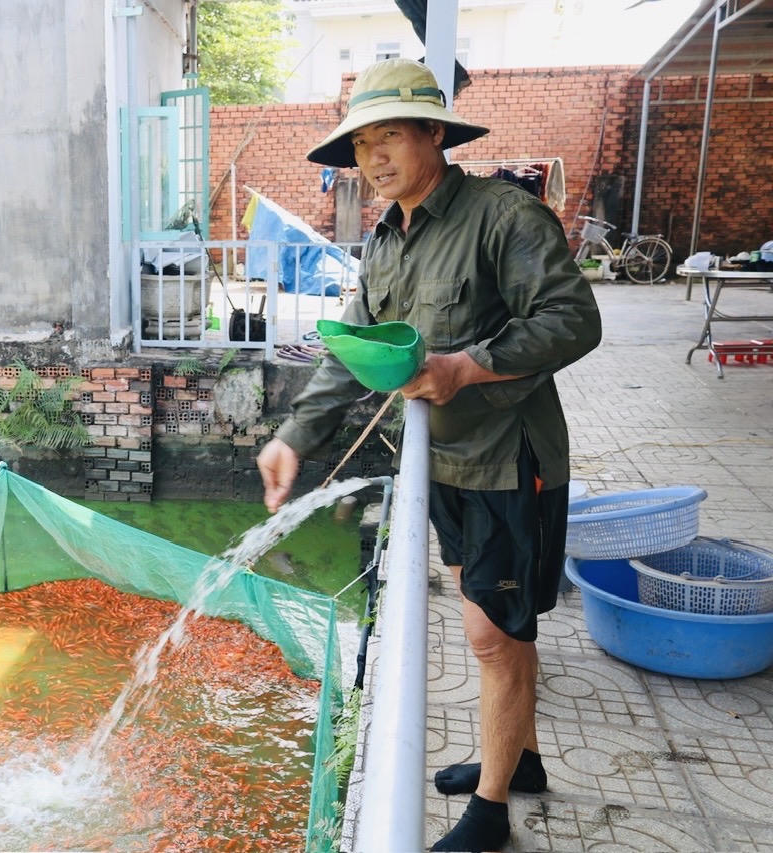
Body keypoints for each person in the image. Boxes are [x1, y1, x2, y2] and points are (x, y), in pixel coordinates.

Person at [257, 58, 601, 852]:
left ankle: (492, 806)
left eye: (389, 136)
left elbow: (574, 319)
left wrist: (466, 366)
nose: (373, 158)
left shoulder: (502, 217)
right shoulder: (386, 239)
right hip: (441, 465)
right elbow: (353, 348)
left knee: (494, 635)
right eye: (361, 143)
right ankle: (522, 757)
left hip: (506, 461)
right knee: (496, 623)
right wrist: (293, 438)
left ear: (435, 133)